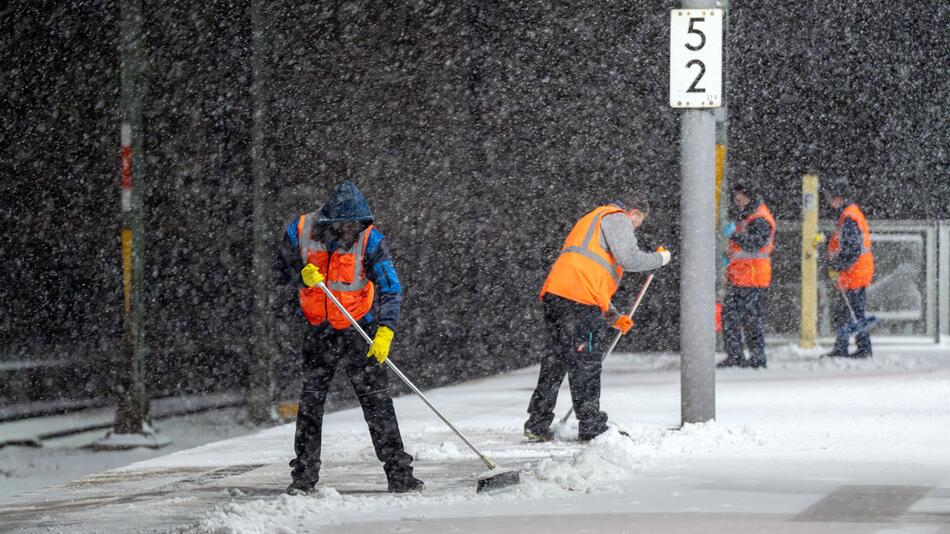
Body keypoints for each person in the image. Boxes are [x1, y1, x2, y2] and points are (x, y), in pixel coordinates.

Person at [276, 181, 424, 495]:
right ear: (328, 224)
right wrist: (299, 274)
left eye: (356, 227)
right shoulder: (299, 231)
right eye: (345, 228)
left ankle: (400, 475)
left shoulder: (370, 240)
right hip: (319, 331)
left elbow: (391, 289)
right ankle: (303, 478)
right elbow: (280, 274)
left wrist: (385, 331)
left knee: (377, 403)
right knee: (311, 405)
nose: (350, 233)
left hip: (360, 328)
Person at [524, 193, 671, 442]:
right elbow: (630, 258)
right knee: (586, 362)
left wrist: (613, 315)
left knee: (556, 361)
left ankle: (537, 423)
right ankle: (591, 426)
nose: (634, 229)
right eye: (638, 223)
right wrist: (661, 259)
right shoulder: (616, 217)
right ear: (634, 213)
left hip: (558, 294)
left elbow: (591, 274)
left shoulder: (592, 219)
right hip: (580, 300)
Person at [717, 182, 776, 369]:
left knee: (749, 321)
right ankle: (738, 356)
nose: (737, 202)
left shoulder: (759, 218)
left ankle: (755, 358)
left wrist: (734, 235)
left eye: (739, 198)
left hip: (752, 278)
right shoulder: (749, 216)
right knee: (733, 318)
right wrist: (730, 257)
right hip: (741, 277)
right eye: (735, 199)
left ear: (749, 196)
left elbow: (754, 244)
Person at [821, 176, 874, 358]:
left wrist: (837, 265)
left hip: (854, 272)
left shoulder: (849, 217)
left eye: (830, 197)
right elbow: (846, 244)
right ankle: (844, 347)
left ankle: (863, 348)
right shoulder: (848, 214)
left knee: (852, 313)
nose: (828, 201)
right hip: (854, 271)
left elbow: (851, 249)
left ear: (838, 197)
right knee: (847, 312)